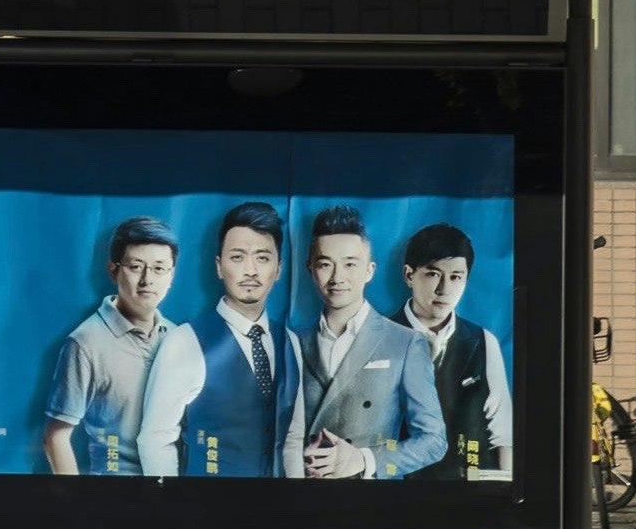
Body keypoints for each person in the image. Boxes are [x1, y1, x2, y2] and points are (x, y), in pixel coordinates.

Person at [133, 202, 305, 476]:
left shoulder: (290, 342)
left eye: (262, 257)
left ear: (279, 268)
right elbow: (155, 440)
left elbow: (292, 441)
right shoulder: (184, 341)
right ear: (219, 266)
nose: (250, 270)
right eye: (237, 257)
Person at [280, 206, 446, 479]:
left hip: (371, 502)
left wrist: (364, 460)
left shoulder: (405, 343)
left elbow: (434, 441)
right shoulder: (292, 341)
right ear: (310, 269)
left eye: (350, 264)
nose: (337, 278)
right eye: (325, 264)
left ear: (369, 270)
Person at [39, 215, 200, 474]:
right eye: (136, 266)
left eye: (159, 268)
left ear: (172, 275)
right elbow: (55, 437)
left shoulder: (178, 337)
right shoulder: (85, 342)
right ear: (113, 270)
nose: (148, 280)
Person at [397, 222, 514, 481]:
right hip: (401, 490)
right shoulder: (380, 336)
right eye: (433, 274)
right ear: (409, 275)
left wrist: (505, 486)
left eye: (456, 277)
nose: (444, 289)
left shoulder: (482, 341)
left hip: (469, 488)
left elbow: (502, 430)